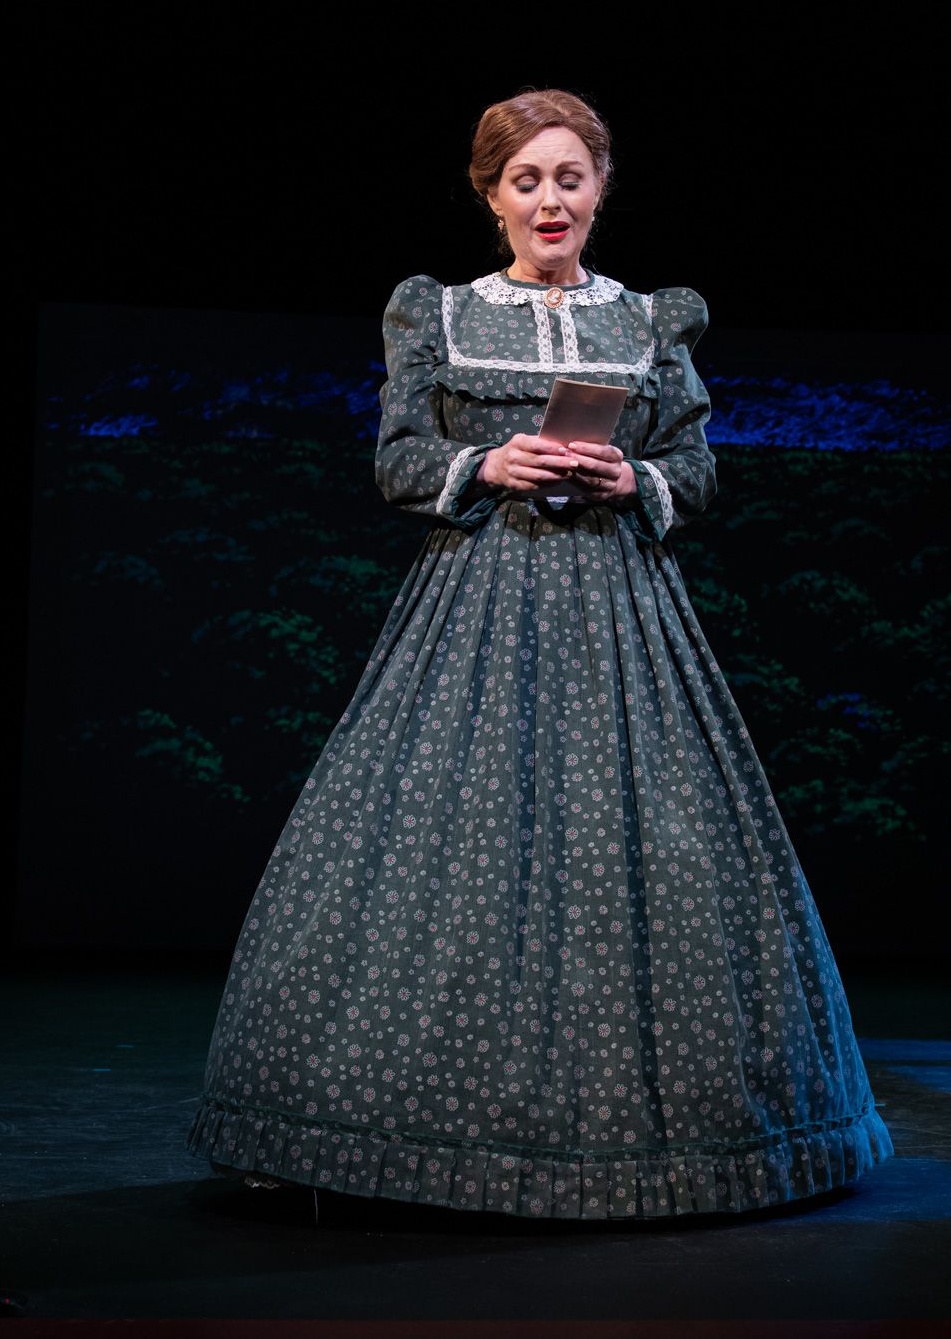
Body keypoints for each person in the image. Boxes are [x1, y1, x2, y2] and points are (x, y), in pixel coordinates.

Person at [184, 87, 894, 1219]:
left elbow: (699, 470)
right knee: (439, 846)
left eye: (570, 177)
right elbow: (398, 459)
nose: (550, 199)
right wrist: (487, 469)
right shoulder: (440, 312)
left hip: (622, 602)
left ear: (601, 188)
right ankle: (381, 1132)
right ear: (494, 196)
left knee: (656, 852)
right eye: (528, 181)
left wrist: (635, 479)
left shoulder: (653, 320)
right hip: (480, 596)